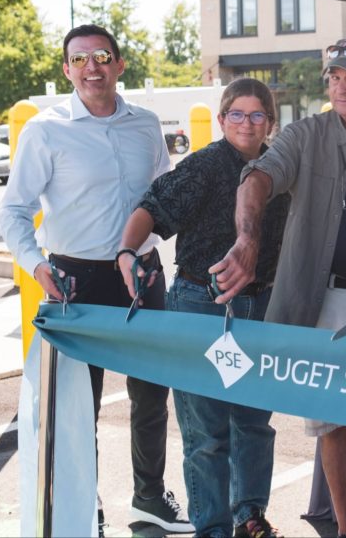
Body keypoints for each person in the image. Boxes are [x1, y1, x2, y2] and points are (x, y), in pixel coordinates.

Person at [209, 39, 346, 538]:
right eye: (333, 76)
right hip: (329, 299)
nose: (340, 84)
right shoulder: (306, 134)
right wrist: (247, 236)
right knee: (333, 420)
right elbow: (259, 175)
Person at [0, 24, 193, 535]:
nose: (91, 67)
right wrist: (35, 265)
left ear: (120, 64)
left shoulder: (146, 124)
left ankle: (150, 498)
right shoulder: (45, 129)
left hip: (142, 276)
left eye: (101, 56)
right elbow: (13, 210)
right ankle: (88, 509)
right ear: (66, 70)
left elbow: (157, 197)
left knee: (151, 396)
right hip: (75, 282)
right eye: (79, 59)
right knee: (79, 407)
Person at [116, 78, 289, 537]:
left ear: (270, 121)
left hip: (261, 308)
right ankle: (211, 527)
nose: (247, 123)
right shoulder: (204, 166)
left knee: (254, 423)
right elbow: (150, 208)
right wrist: (127, 251)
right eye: (237, 114)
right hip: (199, 307)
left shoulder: (281, 169)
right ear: (221, 119)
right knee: (207, 433)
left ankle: (249, 515)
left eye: (257, 115)